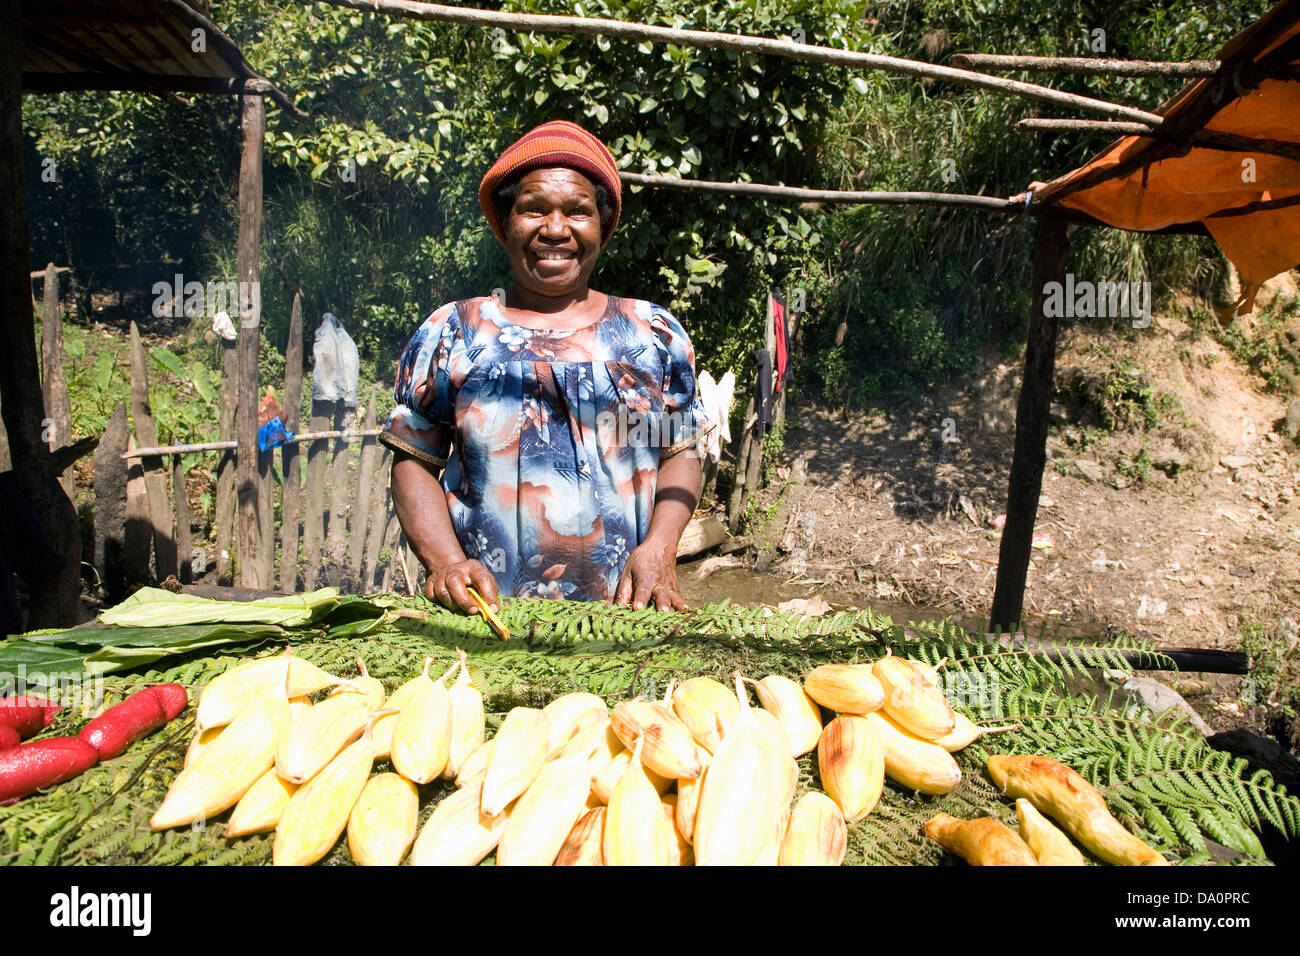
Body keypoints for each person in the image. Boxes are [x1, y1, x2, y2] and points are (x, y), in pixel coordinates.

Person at [379, 120, 713, 616]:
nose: (555, 229)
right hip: (487, 616)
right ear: (505, 220)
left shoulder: (651, 334)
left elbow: (681, 451)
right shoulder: (458, 331)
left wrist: (661, 548)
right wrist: (445, 563)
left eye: (577, 212)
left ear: (602, 225)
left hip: (628, 611)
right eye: (533, 208)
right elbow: (414, 459)